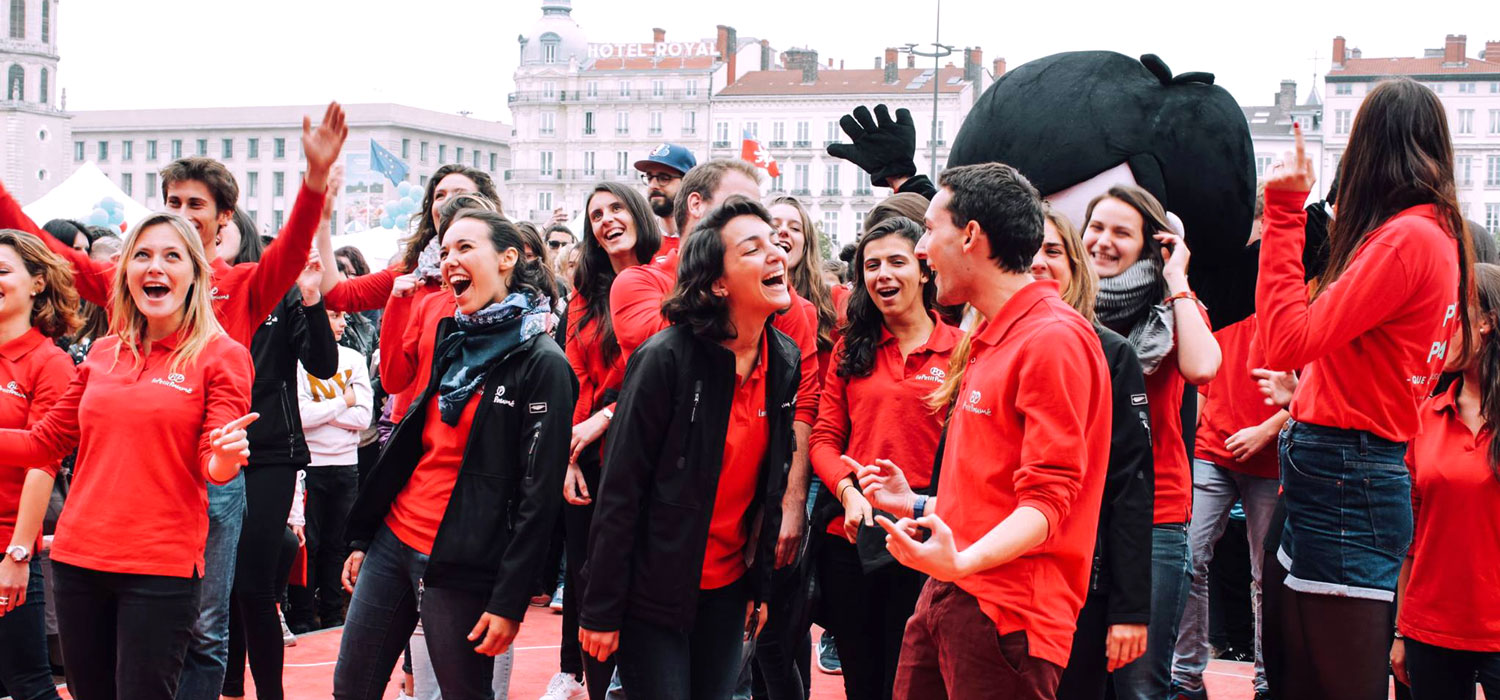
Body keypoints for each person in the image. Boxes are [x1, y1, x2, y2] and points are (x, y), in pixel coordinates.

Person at [855, 163, 1112, 699]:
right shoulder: (994, 333)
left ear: (970, 235)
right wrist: (922, 505)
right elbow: (998, 489)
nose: (923, 247)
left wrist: (962, 561)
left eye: (929, 228)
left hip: (1007, 615)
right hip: (951, 594)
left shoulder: (1053, 340)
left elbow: (1048, 501)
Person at [1258, 79, 1474, 700]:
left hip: (1345, 471)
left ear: (1370, 151)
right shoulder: (1433, 235)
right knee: (1302, 679)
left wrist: (1282, 212)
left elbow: (1286, 340)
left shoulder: (1409, 239)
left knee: (1332, 684)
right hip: (1342, 466)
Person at [0, 212, 257, 700]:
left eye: (171, 256)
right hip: (78, 561)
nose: (154, 267)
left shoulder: (221, 355)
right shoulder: (101, 353)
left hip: (159, 568)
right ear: (125, 273)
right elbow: (43, 442)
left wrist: (226, 457)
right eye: (142, 255)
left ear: (195, 275)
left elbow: (214, 464)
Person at [334, 208, 576, 700]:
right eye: (444, 251)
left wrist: (509, 601)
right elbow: (413, 439)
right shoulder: (455, 335)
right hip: (393, 537)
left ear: (508, 258)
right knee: (350, 688)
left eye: (465, 247)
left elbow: (539, 494)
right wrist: (363, 536)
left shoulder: (544, 363)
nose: (449, 260)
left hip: (459, 559)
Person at [579, 196, 797, 700]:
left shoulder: (782, 358)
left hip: (727, 590)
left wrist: (757, 589)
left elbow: (771, 484)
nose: (776, 252)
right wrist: (602, 607)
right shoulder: (665, 359)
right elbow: (621, 489)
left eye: (775, 243)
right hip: (651, 593)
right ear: (718, 283)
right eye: (753, 248)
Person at [610, 159, 820, 580]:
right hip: (659, 546)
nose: (771, 239)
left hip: (736, 551)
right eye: (741, 206)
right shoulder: (642, 284)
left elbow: (803, 405)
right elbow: (677, 348)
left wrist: (789, 503)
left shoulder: (784, 304)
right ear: (697, 205)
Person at [808, 216, 958, 700]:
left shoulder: (961, 351)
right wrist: (849, 494)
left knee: (916, 680)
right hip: (852, 538)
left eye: (897, 261)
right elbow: (824, 441)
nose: (883, 275)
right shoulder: (852, 348)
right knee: (863, 679)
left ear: (925, 270)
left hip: (927, 536)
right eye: (871, 265)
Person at [1080, 183, 1220, 700]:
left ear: (1150, 244)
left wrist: (1177, 276)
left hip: (1156, 516)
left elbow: (1203, 366)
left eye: (1122, 232)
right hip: (1078, 510)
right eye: (1096, 227)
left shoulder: (1173, 308)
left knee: (1139, 685)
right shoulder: (1067, 310)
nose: (1103, 242)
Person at [541, 182, 662, 700]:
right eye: (596, 215)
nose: (606, 220)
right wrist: (569, 456)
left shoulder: (666, 279)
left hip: (647, 449)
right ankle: (589, 684)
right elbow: (573, 378)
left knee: (637, 577)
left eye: (616, 208)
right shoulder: (584, 296)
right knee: (589, 578)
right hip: (588, 452)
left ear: (638, 213)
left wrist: (610, 416)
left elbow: (658, 369)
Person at [1028, 208, 1154, 700]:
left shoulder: (1111, 352)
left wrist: (1129, 609)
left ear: (1076, 265)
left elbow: (1131, 485)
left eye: (1053, 251)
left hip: (1082, 587)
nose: (1039, 262)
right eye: (1029, 251)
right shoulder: (982, 344)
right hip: (1000, 581)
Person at [218, 190, 339, 700]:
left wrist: (311, 297)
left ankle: (268, 692)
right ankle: (227, 687)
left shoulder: (279, 291)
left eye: (218, 232)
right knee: (217, 589)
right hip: (211, 451)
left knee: (252, 583)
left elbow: (324, 365)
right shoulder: (191, 295)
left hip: (270, 452)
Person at [1170, 188, 1284, 700]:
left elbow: (1316, 384)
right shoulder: (1218, 281)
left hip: (1266, 455)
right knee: (1189, 560)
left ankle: (1265, 681)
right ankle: (1187, 675)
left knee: (1266, 577)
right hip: (1213, 447)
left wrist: (1267, 428)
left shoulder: (1287, 292)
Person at [1389, 262, 1500, 699]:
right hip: (1429, 631)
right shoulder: (1424, 416)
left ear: (1488, 322)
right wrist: (1400, 631)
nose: (1440, 326)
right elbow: (1410, 538)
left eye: (1453, 312)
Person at [322, 165, 502, 427]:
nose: (447, 202)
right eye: (439, 196)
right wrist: (324, 220)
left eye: (459, 194)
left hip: (477, 428)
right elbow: (337, 295)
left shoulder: (506, 285)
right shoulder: (410, 277)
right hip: (413, 427)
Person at [0, 230, 78, 700]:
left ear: (37, 283)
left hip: (6, 547)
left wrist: (17, 554)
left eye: (2, 271)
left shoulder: (50, 365)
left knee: (29, 684)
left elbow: (43, 462)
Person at [294, 306, 371, 631]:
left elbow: (364, 418)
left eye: (343, 316)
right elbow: (300, 417)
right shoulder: (298, 358)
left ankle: (332, 615)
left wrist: (320, 412)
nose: (342, 323)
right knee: (307, 544)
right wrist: (344, 401)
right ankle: (301, 618)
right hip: (309, 464)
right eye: (333, 315)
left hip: (345, 465)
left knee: (336, 544)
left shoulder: (354, 358)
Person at [634, 143, 697, 256]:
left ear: (688, 183)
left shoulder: (704, 242)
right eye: (649, 177)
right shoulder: (640, 240)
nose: (653, 185)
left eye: (664, 178)